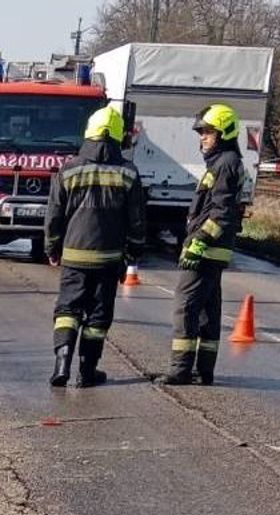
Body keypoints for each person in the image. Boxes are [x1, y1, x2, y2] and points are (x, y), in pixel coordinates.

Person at [44, 106, 145, 388]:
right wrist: (134, 253)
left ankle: (61, 365)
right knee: (98, 317)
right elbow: (136, 220)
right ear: (117, 136)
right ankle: (87, 372)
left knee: (67, 310)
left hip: (74, 256)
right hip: (109, 260)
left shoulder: (68, 170)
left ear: (88, 132)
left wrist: (52, 248)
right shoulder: (128, 173)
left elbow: (54, 215)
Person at [158, 104, 244, 386]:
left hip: (206, 249)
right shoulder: (223, 162)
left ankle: (180, 370)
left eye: (207, 133)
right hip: (213, 250)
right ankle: (203, 369)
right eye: (202, 133)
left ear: (224, 132)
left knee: (186, 307)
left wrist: (198, 243)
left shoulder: (226, 163)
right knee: (207, 310)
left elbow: (221, 213)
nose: (202, 138)